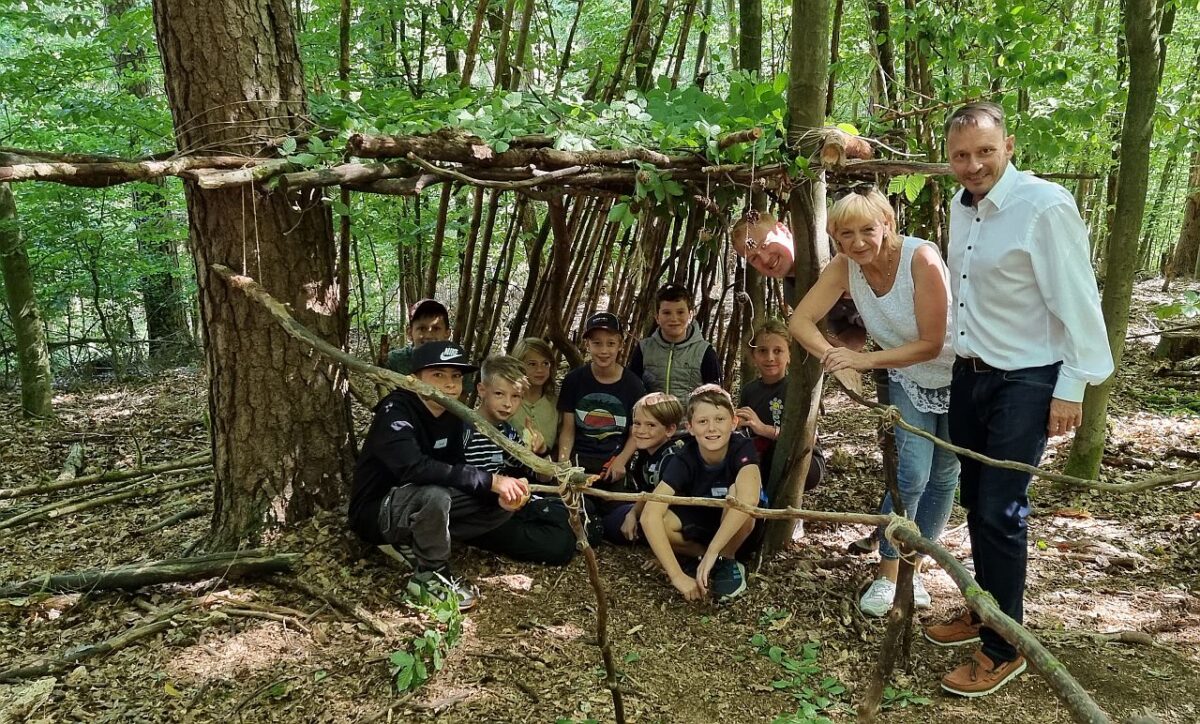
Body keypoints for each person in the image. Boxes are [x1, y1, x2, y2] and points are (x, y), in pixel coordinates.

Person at [925, 101, 1114, 698]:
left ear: (1008, 146)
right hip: (972, 374)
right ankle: (985, 609)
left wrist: (1072, 387)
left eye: (984, 151)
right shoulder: (963, 207)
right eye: (960, 155)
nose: (973, 165)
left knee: (1002, 510)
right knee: (975, 498)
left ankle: (1004, 647)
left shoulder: (1044, 206)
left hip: (1027, 379)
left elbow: (1078, 302)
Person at [789, 188, 959, 620]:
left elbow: (932, 342)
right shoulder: (846, 266)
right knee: (911, 473)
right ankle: (888, 575)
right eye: (846, 234)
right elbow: (800, 321)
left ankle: (914, 567)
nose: (858, 241)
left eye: (868, 229)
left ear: (887, 222)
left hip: (960, 373)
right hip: (906, 372)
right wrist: (833, 355)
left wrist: (864, 360)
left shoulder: (921, 258)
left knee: (944, 475)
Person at [349, 341, 529, 612]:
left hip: (425, 503)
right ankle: (431, 574)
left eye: (455, 376)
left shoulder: (453, 415)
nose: (449, 384)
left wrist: (498, 493)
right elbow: (414, 468)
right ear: (415, 379)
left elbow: (455, 470)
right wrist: (490, 480)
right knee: (435, 495)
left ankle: (416, 544)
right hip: (378, 511)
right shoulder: (395, 410)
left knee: (499, 500)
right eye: (438, 375)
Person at [641, 385, 762, 603]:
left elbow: (749, 500)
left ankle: (726, 560)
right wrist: (677, 577)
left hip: (737, 530)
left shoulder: (742, 448)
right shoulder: (684, 456)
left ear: (734, 422)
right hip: (700, 527)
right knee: (662, 520)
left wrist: (714, 552)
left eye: (720, 419)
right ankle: (699, 558)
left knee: (738, 494)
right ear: (690, 427)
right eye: (702, 422)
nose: (711, 428)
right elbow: (649, 515)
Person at [459, 355, 585, 566]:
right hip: (480, 515)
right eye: (499, 394)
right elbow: (456, 478)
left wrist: (541, 451)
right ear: (482, 390)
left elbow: (542, 476)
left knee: (581, 508)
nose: (508, 404)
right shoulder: (465, 428)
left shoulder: (507, 432)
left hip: (508, 506)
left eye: (516, 396)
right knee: (559, 547)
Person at [557, 312, 646, 485]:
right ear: (587, 345)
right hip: (578, 461)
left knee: (621, 510)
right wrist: (563, 463)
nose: (604, 351)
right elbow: (567, 428)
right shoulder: (574, 380)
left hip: (613, 463)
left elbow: (636, 431)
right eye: (597, 343)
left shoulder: (634, 385)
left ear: (620, 345)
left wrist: (622, 460)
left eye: (611, 343)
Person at [736, 318, 825, 491]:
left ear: (790, 355)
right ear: (753, 356)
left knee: (774, 458)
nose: (770, 358)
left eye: (778, 351)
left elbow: (810, 438)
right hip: (763, 457)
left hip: (804, 458)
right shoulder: (750, 390)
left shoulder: (797, 390)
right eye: (762, 351)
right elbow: (745, 432)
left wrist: (763, 429)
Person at [601, 392, 686, 545]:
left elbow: (673, 504)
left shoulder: (672, 459)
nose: (641, 431)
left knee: (612, 526)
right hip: (650, 506)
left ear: (669, 430)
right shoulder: (648, 453)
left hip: (676, 518)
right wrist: (633, 513)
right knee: (611, 516)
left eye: (651, 425)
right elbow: (649, 492)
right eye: (637, 423)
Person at [627, 283, 721, 405]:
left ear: (690, 315)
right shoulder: (644, 349)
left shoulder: (704, 352)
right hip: (652, 422)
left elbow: (716, 397)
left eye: (680, 312)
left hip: (691, 423)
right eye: (667, 313)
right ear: (657, 317)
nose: (674, 318)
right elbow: (632, 390)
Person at [510, 337, 560, 455]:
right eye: (532, 364)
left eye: (545, 363)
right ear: (519, 365)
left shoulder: (555, 403)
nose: (540, 369)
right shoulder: (508, 402)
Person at [386, 299, 451, 375]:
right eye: (422, 328)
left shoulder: (456, 364)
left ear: (447, 334)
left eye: (436, 329)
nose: (428, 336)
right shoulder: (394, 362)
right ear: (410, 333)